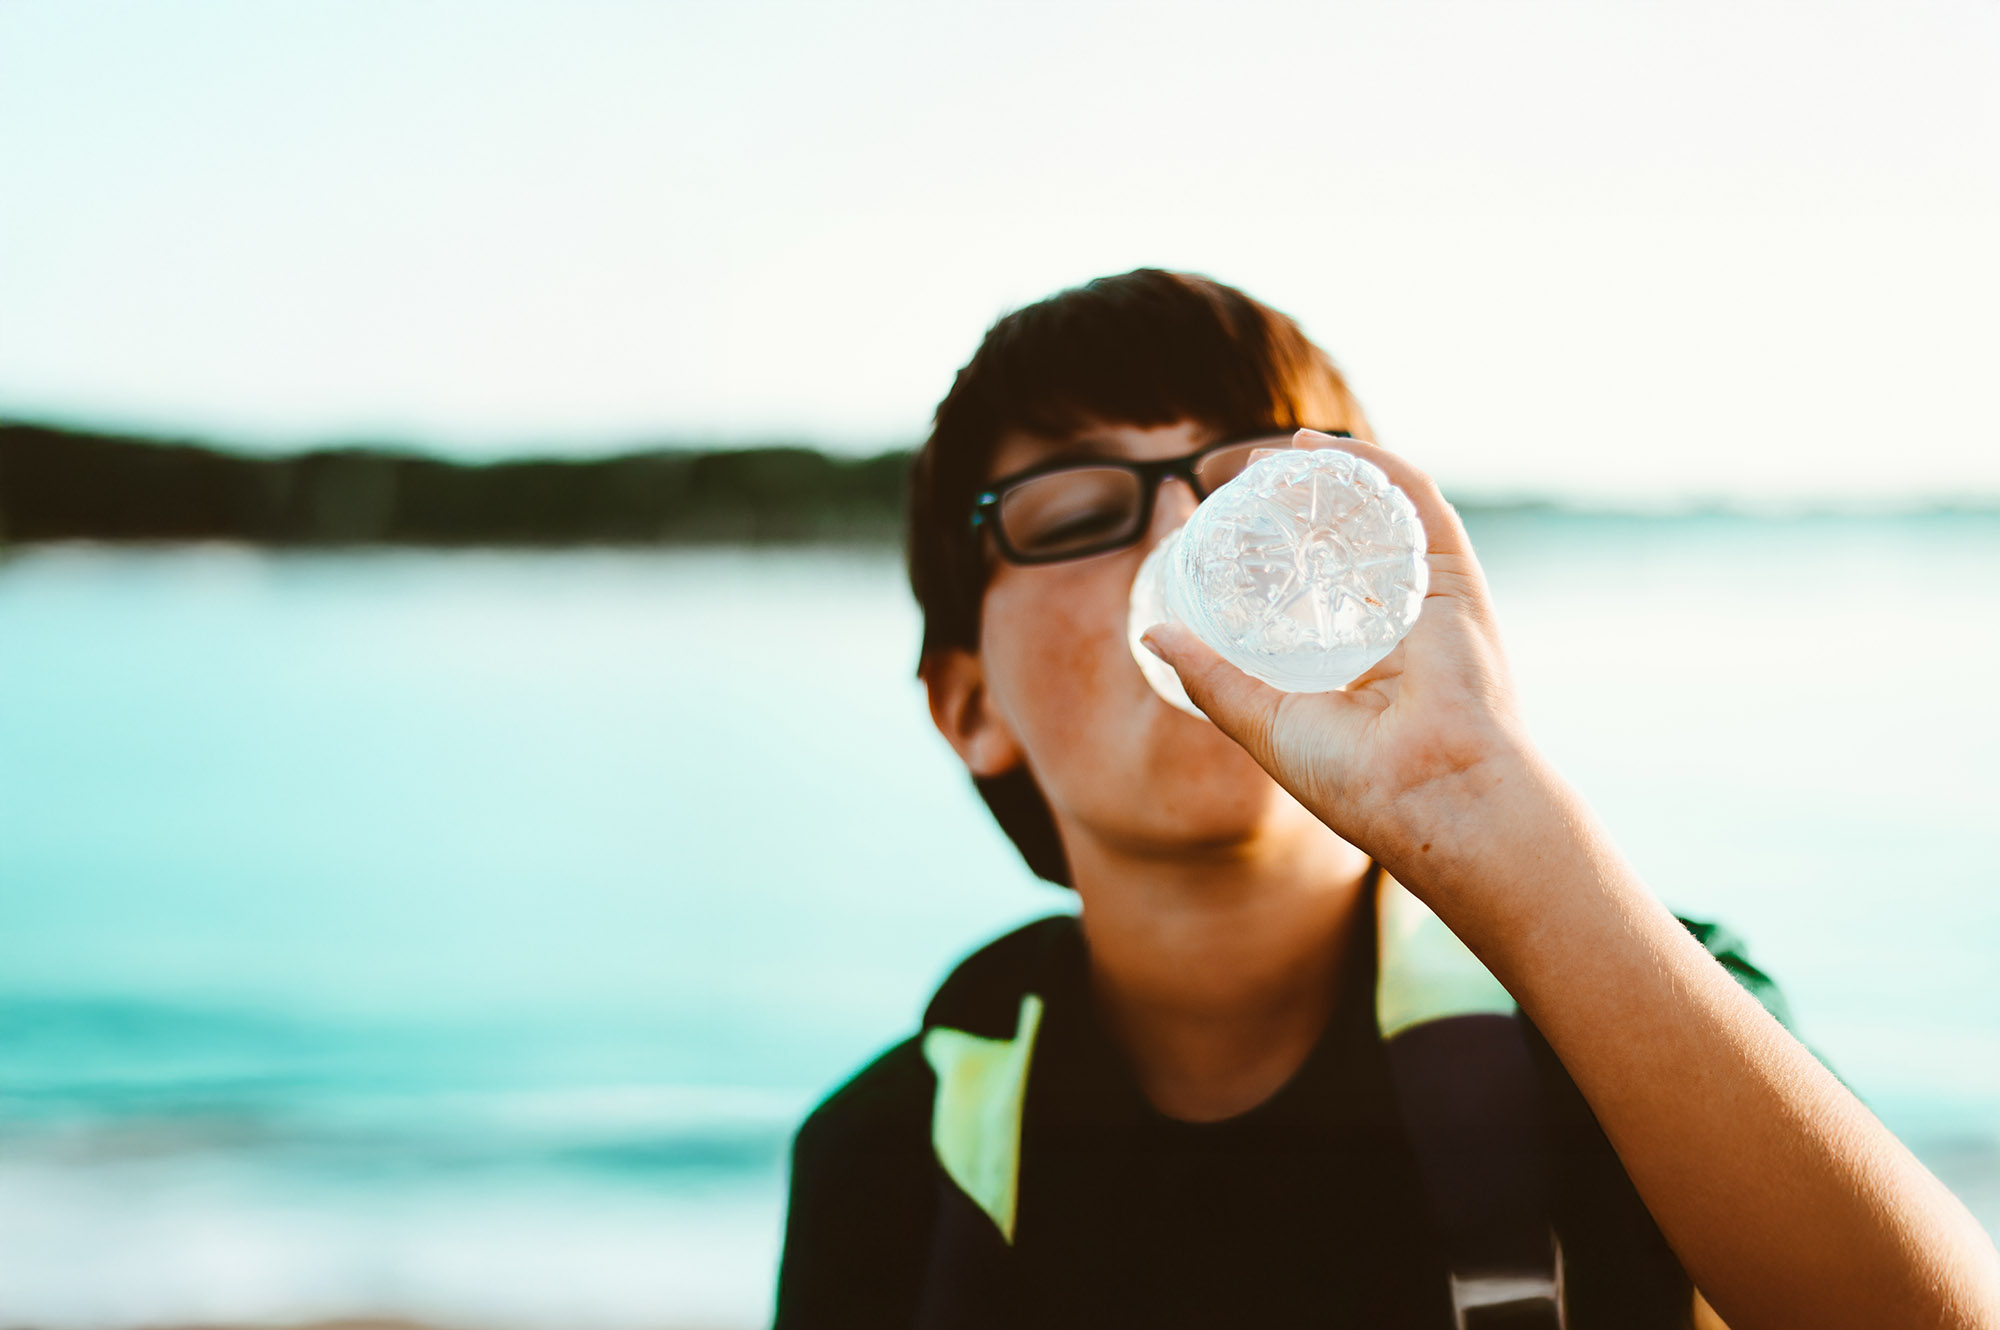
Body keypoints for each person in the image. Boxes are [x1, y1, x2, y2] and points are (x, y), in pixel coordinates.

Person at [772, 269, 2000, 1329]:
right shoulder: (889, 1153)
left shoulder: (1625, 1019)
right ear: (967, 702)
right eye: (1082, 511)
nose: (1187, 543)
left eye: (1262, 499)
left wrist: (1487, 806)